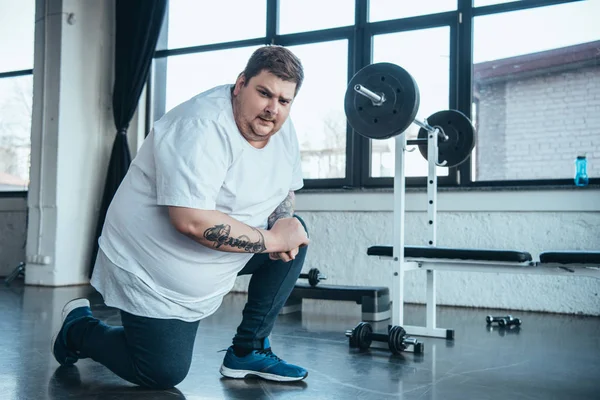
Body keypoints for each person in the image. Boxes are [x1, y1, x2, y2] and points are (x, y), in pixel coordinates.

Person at [51, 45, 311, 389]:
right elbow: (190, 220)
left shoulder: (281, 128)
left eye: (284, 100)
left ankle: (248, 351)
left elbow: (283, 192)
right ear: (240, 84)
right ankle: (79, 329)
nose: (272, 109)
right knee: (161, 372)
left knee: (296, 233)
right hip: (152, 269)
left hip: (216, 261)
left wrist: (283, 221)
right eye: (264, 93)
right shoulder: (200, 125)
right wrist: (273, 239)